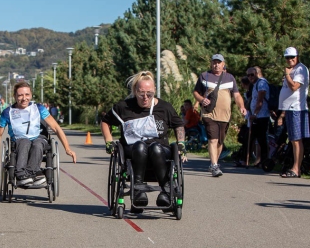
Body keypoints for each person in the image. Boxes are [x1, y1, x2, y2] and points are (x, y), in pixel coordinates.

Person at [101, 71, 186, 211]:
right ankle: (138, 190)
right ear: (135, 91)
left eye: (149, 94)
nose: (145, 98)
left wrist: (181, 143)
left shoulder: (165, 108)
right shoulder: (124, 107)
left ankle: (166, 191)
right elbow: (105, 122)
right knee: (140, 146)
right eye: (141, 94)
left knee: (155, 147)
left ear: (155, 91)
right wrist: (109, 141)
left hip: (160, 150)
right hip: (133, 151)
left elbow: (178, 125)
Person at [0, 82, 76, 184]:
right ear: (14, 96)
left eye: (27, 95)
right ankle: (21, 174)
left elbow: (56, 128)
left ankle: (31, 173)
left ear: (31, 95)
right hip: (19, 141)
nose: (24, 98)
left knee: (37, 144)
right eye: (20, 95)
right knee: (25, 142)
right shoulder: (8, 112)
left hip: (38, 138)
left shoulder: (38, 108)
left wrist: (67, 148)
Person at [193, 53, 246, 177]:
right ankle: (214, 165)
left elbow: (236, 95)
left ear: (223, 64)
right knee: (213, 139)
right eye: (214, 62)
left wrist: (242, 107)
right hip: (209, 113)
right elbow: (196, 92)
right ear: (211, 63)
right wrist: (201, 100)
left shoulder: (230, 78)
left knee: (220, 142)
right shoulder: (204, 76)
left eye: (219, 62)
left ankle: (214, 162)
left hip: (225, 115)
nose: (216, 65)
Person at [278, 47, 310, 178]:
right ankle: (295, 167)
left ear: (297, 56)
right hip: (290, 109)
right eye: (287, 57)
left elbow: (294, 87)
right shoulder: (293, 70)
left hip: (297, 108)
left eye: (292, 57)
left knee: (296, 140)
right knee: (293, 140)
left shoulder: (301, 69)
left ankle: (296, 168)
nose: (290, 60)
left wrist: (286, 74)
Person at [246, 66, 271, 168]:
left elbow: (260, 101)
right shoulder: (255, 84)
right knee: (254, 139)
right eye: (248, 75)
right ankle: (257, 160)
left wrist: (255, 114)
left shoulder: (261, 83)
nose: (250, 77)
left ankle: (264, 161)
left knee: (261, 140)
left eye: (252, 74)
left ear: (258, 73)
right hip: (256, 116)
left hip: (261, 116)